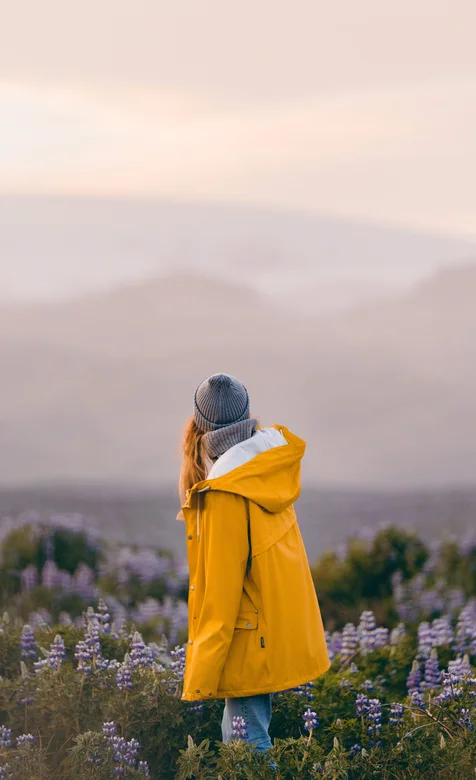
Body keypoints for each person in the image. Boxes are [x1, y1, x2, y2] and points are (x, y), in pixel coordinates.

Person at [176, 372, 330, 761]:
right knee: (245, 732)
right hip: (274, 625)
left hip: (247, 633)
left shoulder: (227, 490)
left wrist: (201, 672)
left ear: (199, 425)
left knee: (247, 747)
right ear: (247, 415)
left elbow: (221, 591)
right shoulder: (265, 467)